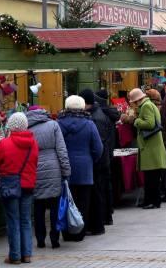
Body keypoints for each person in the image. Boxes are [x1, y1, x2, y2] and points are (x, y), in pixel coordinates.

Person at [0, 112, 39, 264]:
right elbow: (35, 163)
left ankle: (15, 256)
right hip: (28, 185)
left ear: (10, 126)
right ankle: (27, 254)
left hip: (10, 185)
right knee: (26, 220)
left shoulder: (5, 143)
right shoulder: (33, 143)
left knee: (13, 221)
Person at [57, 95, 103, 241]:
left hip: (64, 169)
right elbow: (98, 147)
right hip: (85, 169)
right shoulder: (89, 124)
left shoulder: (58, 124)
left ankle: (66, 233)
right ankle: (79, 233)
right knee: (83, 202)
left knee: (66, 201)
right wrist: (91, 160)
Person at [26, 106, 71, 249]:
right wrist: (66, 171)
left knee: (38, 206)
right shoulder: (53, 125)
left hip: (35, 169)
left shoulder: (27, 129)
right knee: (54, 207)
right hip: (54, 169)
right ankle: (55, 239)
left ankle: (40, 239)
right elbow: (62, 150)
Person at [79, 89, 113, 236]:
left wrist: (93, 158)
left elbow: (97, 144)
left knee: (97, 193)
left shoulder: (95, 118)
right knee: (99, 192)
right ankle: (101, 222)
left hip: (98, 161)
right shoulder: (98, 114)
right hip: (102, 159)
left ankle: (98, 225)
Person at [129, 88, 166, 209]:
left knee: (151, 177)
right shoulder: (150, 104)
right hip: (153, 146)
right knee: (152, 177)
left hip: (151, 147)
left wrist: (135, 120)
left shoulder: (146, 106)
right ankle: (150, 200)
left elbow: (150, 124)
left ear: (136, 100)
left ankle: (152, 201)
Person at [94, 89, 119, 226]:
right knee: (108, 182)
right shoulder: (110, 113)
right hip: (109, 149)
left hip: (102, 152)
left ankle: (105, 213)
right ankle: (109, 212)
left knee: (101, 185)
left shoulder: (98, 115)